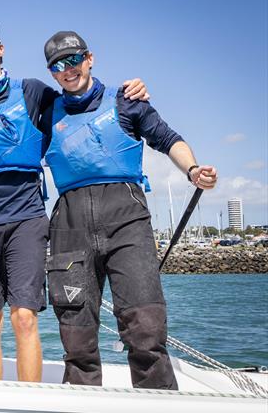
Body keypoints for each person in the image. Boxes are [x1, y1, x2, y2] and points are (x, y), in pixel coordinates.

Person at [0, 22, 148, 382]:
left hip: (27, 219)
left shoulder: (33, 92)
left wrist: (127, 92)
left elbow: (79, 98)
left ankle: (28, 400)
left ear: (1, 49)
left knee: (24, 316)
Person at [41, 30, 217, 389]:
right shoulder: (45, 112)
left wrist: (193, 170)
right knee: (76, 334)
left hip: (126, 215)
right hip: (69, 220)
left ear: (89, 58)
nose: (68, 69)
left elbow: (168, 138)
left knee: (145, 326)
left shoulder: (126, 101)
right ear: (52, 73)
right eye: (58, 65)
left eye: (74, 59)